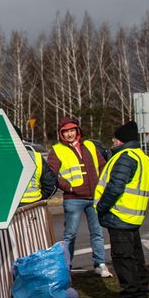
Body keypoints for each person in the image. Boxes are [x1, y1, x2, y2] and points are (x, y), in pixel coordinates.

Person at [95, 121, 149, 298]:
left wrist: (102, 207)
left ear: (121, 140)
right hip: (134, 216)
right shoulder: (143, 157)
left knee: (123, 259)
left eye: (115, 138)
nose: (112, 141)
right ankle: (142, 297)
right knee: (136, 258)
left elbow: (115, 187)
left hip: (119, 214)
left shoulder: (125, 157)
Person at [47, 116, 111, 276]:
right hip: (73, 199)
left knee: (97, 232)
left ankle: (100, 264)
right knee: (70, 233)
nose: (69, 134)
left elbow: (103, 167)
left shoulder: (90, 145)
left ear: (77, 130)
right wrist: (68, 187)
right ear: (61, 134)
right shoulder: (57, 150)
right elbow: (52, 174)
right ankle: (66, 266)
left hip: (95, 197)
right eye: (65, 131)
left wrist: (103, 187)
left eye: (71, 130)